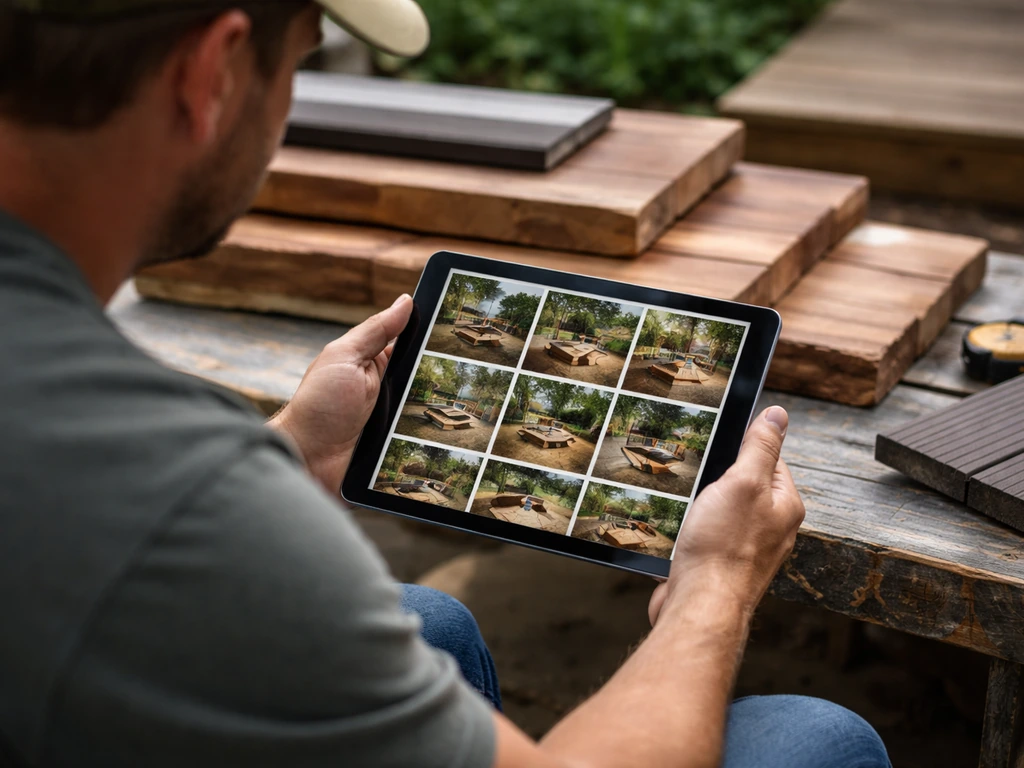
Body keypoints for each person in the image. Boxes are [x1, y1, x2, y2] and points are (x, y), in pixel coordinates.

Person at [0, 2, 891, 766]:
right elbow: (158, 523)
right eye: (303, 58)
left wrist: (294, 460)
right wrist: (716, 583)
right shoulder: (168, 480)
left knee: (430, 623)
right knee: (811, 735)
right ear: (213, 72)